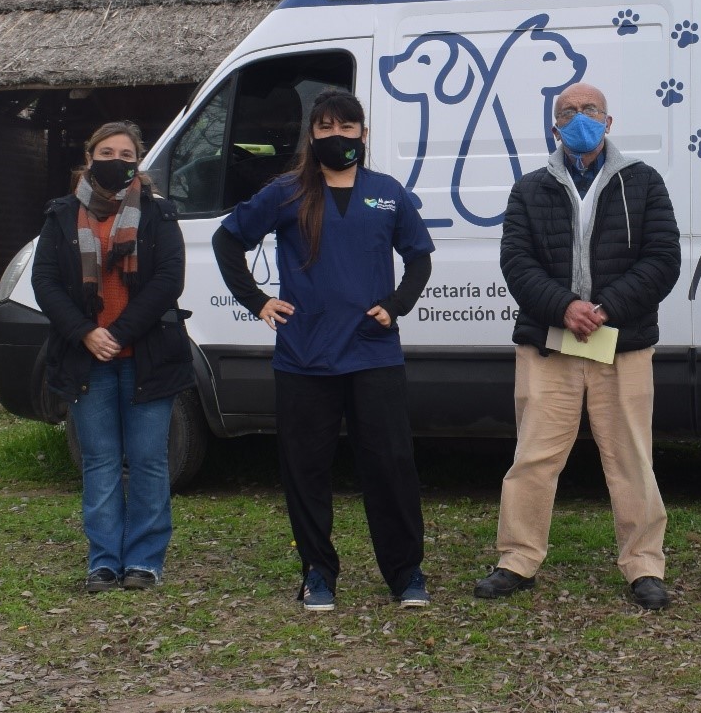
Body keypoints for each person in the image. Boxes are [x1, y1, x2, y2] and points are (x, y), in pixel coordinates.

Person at [212, 89, 435, 612]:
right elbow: (228, 240)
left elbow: (419, 257)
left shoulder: (387, 193)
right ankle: (317, 572)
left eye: (347, 127)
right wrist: (258, 301)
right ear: (312, 136)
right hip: (305, 355)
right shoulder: (286, 192)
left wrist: (396, 304)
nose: (338, 136)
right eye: (327, 128)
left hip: (373, 354)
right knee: (306, 468)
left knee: (390, 466)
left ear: (363, 134)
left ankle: (406, 572)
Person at [474, 82, 681, 610]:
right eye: (568, 112)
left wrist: (605, 309)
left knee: (632, 459)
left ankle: (644, 565)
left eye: (590, 109)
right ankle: (517, 559)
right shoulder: (529, 189)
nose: (580, 118)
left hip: (622, 344)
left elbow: (663, 259)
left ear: (608, 122)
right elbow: (516, 262)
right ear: (555, 128)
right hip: (549, 344)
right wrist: (565, 307)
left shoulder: (644, 182)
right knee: (533, 457)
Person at [31, 121, 193, 593]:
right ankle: (103, 562)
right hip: (86, 359)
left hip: (149, 356)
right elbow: (45, 283)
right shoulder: (61, 214)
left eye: (126, 154)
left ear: (137, 162)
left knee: (148, 461)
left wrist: (116, 334)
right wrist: (85, 332)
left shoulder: (159, 214)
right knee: (100, 462)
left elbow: (168, 280)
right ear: (89, 157)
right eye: (106, 152)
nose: (116, 160)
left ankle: (144, 561)